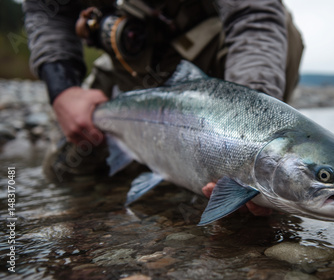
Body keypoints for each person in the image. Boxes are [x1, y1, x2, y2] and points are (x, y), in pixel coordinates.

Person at [23, 0, 303, 216]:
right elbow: (48, 10)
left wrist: (252, 117)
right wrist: (62, 89)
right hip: (129, 65)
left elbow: (253, 14)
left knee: (286, 28)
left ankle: (208, 156)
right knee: (65, 172)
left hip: (218, 60)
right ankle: (148, 156)